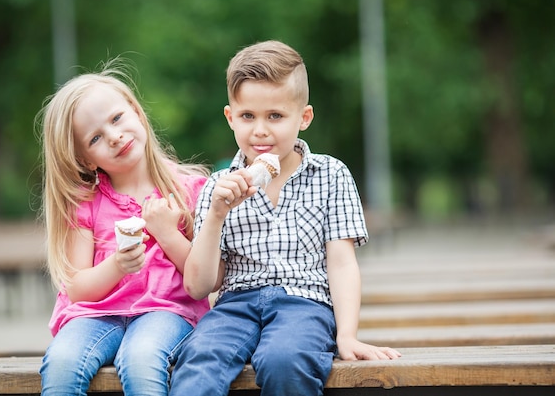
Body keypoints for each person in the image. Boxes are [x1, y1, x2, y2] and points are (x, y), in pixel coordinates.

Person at [169, 41, 401, 396]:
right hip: (235, 304)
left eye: (275, 116)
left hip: (304, 302)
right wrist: (216, 215)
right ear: (231, 117)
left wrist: (347, 334)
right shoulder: (218, 187)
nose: (260, 130)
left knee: (284, 360)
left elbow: (341, 264)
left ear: (303, 118)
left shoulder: (331, 175)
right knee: (199, 358)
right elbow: (201, 287)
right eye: (248, 116)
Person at [36, 61, 210, 396]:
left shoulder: (188, 190)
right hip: (96, 314)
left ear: (136, 111)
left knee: (142, 359)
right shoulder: (86, 204)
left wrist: (167, 234)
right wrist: (116, 265)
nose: (115, 137)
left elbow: (200, 280)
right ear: (85, 159)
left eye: (117, 119)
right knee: (62, 362)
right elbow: (78, 288)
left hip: (166, 311)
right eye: (96, 137)